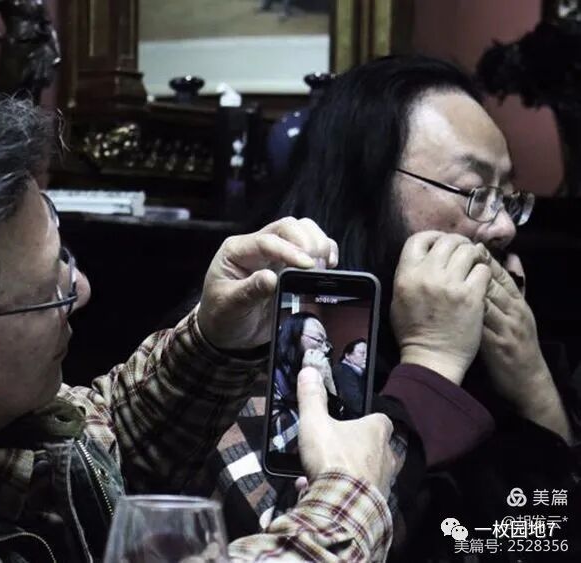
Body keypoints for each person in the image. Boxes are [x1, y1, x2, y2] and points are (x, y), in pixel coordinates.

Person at [0, 67, 402, 562]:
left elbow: (98, 436)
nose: (80, 290)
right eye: (47, 293)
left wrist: (214, 339)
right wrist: (346, 500)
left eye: (64, 256)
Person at [192, 55, 580, 561]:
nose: (504, 226)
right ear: (367, 192)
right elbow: (301, 543)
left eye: (507, 198)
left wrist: (535, 389)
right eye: (473, 192)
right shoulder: (272, 344)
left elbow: (537, 537)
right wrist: (431, 364)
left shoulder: (508, 349)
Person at [269, 312, 341, 453]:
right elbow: (282, 443)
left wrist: (330, 384)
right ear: (293, 338)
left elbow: (338, 427)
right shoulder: (271, 377)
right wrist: (310, 380)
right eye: (319, 340)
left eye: (326, 343)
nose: (325, 349)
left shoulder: (320, 374)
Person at [0, 0, 61, 104]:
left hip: (38, 47)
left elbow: (48, 25)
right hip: (16, 47)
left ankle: (32, 113)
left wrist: (56, 51)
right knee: (11, 89)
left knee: (34, 90)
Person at [333, 338, 367, 415]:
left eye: (367, 354)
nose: (366, 357)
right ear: (347, 355)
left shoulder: (354, 372)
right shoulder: (343, 371)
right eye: (362, 353)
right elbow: (356, 404)